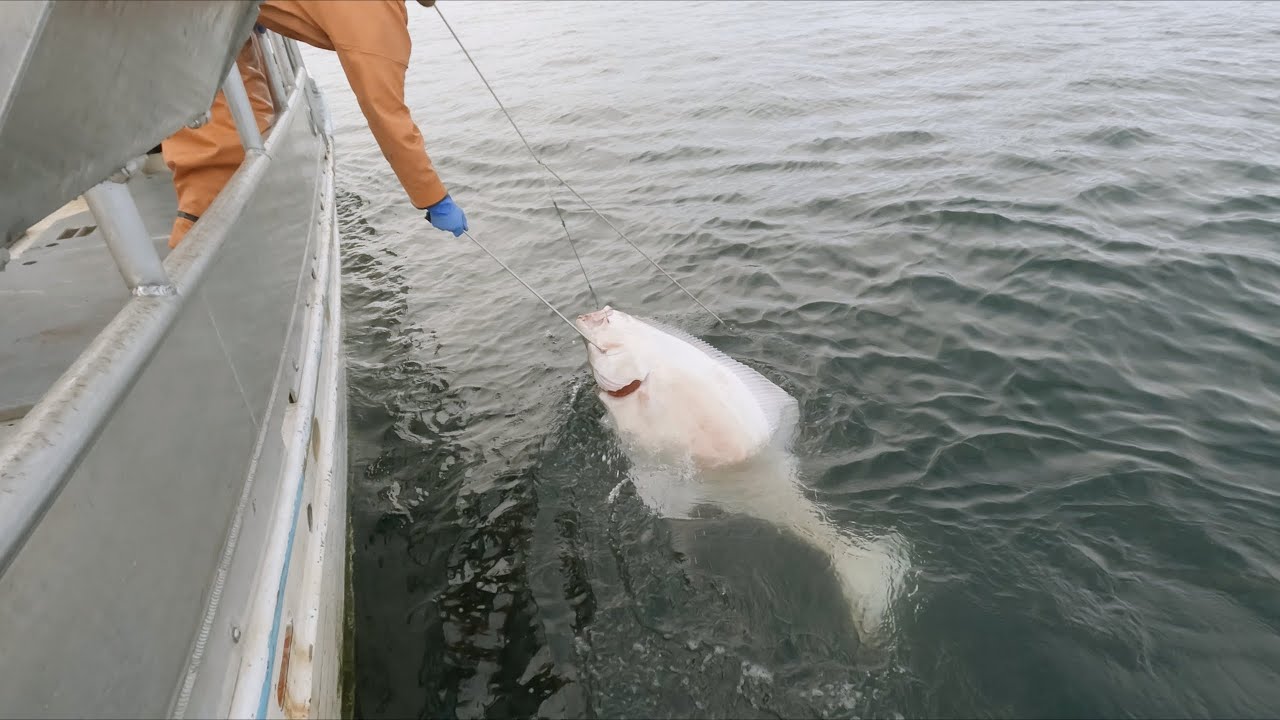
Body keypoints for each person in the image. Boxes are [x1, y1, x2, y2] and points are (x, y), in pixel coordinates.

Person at [160, 0, 466, 249]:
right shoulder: (376, 18)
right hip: (183, 19)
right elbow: (387, 116)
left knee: (249, 118)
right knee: (215, 165)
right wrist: (434, 198)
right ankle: (196, 278)